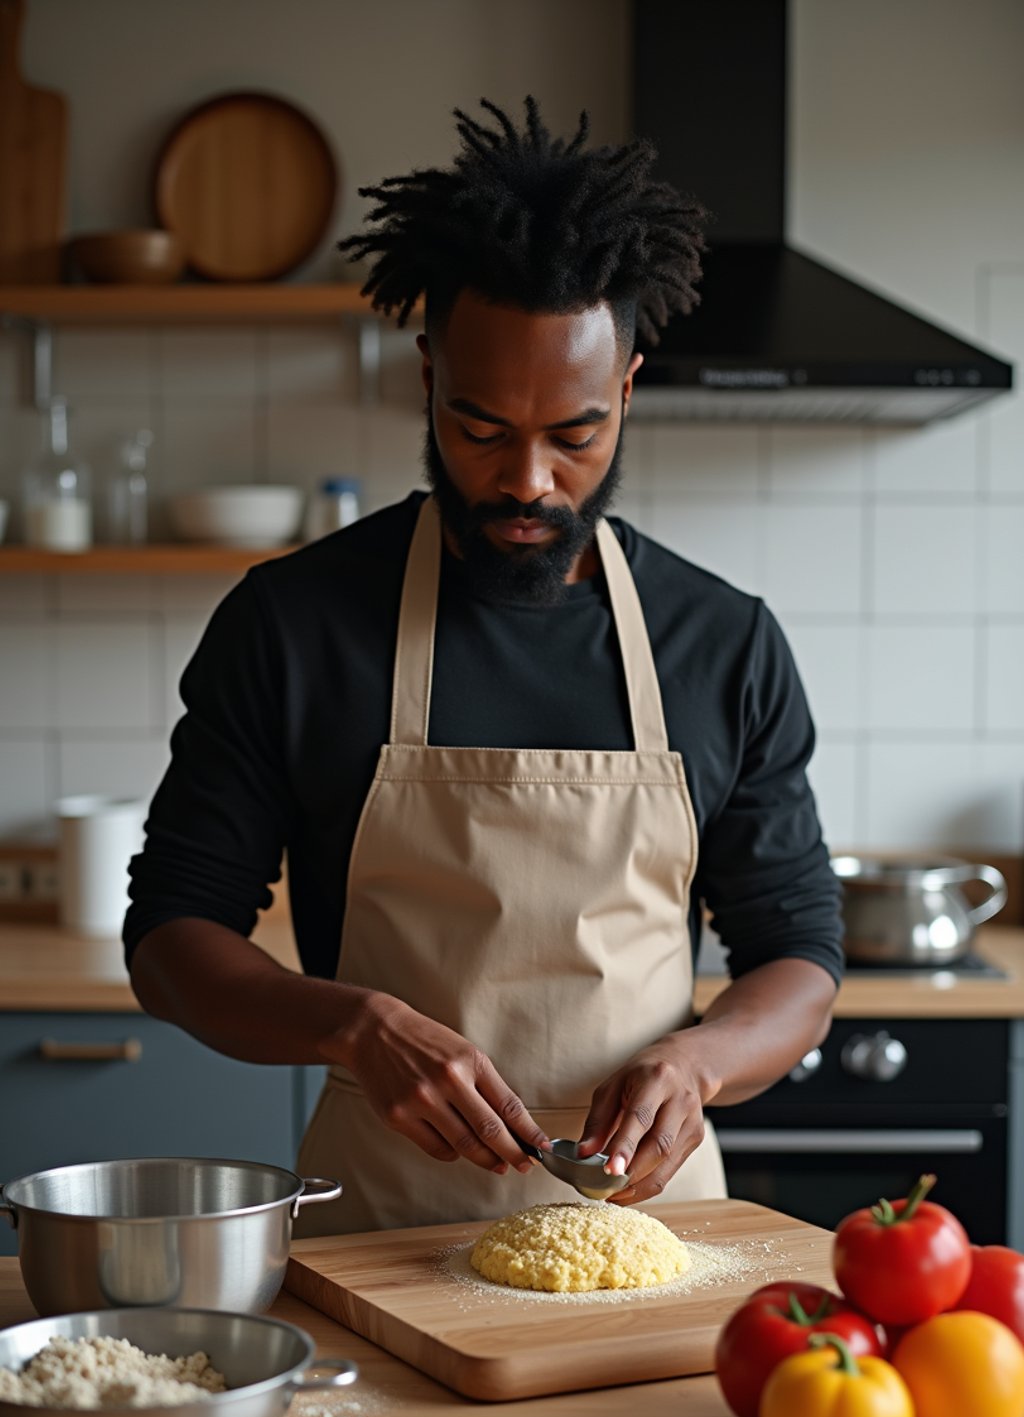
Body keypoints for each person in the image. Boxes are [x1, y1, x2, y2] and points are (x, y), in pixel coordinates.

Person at [125, 98, 843, 1235]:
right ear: (424, 377)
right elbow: (172, 939)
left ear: (628, 387)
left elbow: (797, 951)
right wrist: (350, 1025)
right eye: (480, 428)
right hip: (381, 1227)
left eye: (575, 433)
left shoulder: (721, 641)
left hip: (645, 1235)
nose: (528, 482)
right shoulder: (294, 624)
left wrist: (700, 1064)